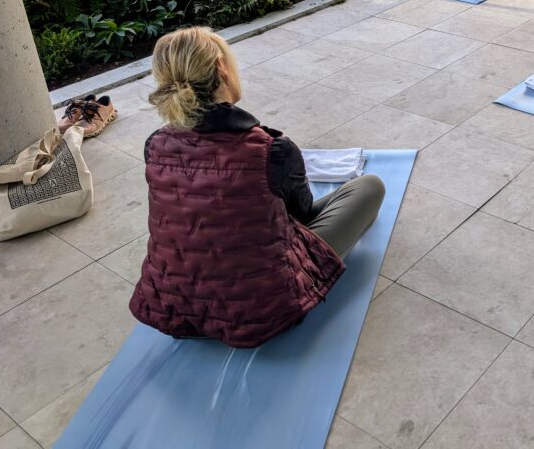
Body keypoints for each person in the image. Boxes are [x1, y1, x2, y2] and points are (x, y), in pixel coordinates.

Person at [129, 27, 385, 348]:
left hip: (174, 309)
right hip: (263, 312)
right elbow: (300, 217)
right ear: (222, 67)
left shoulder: (155, 145)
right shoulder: (271, 149)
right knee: (369, 187)